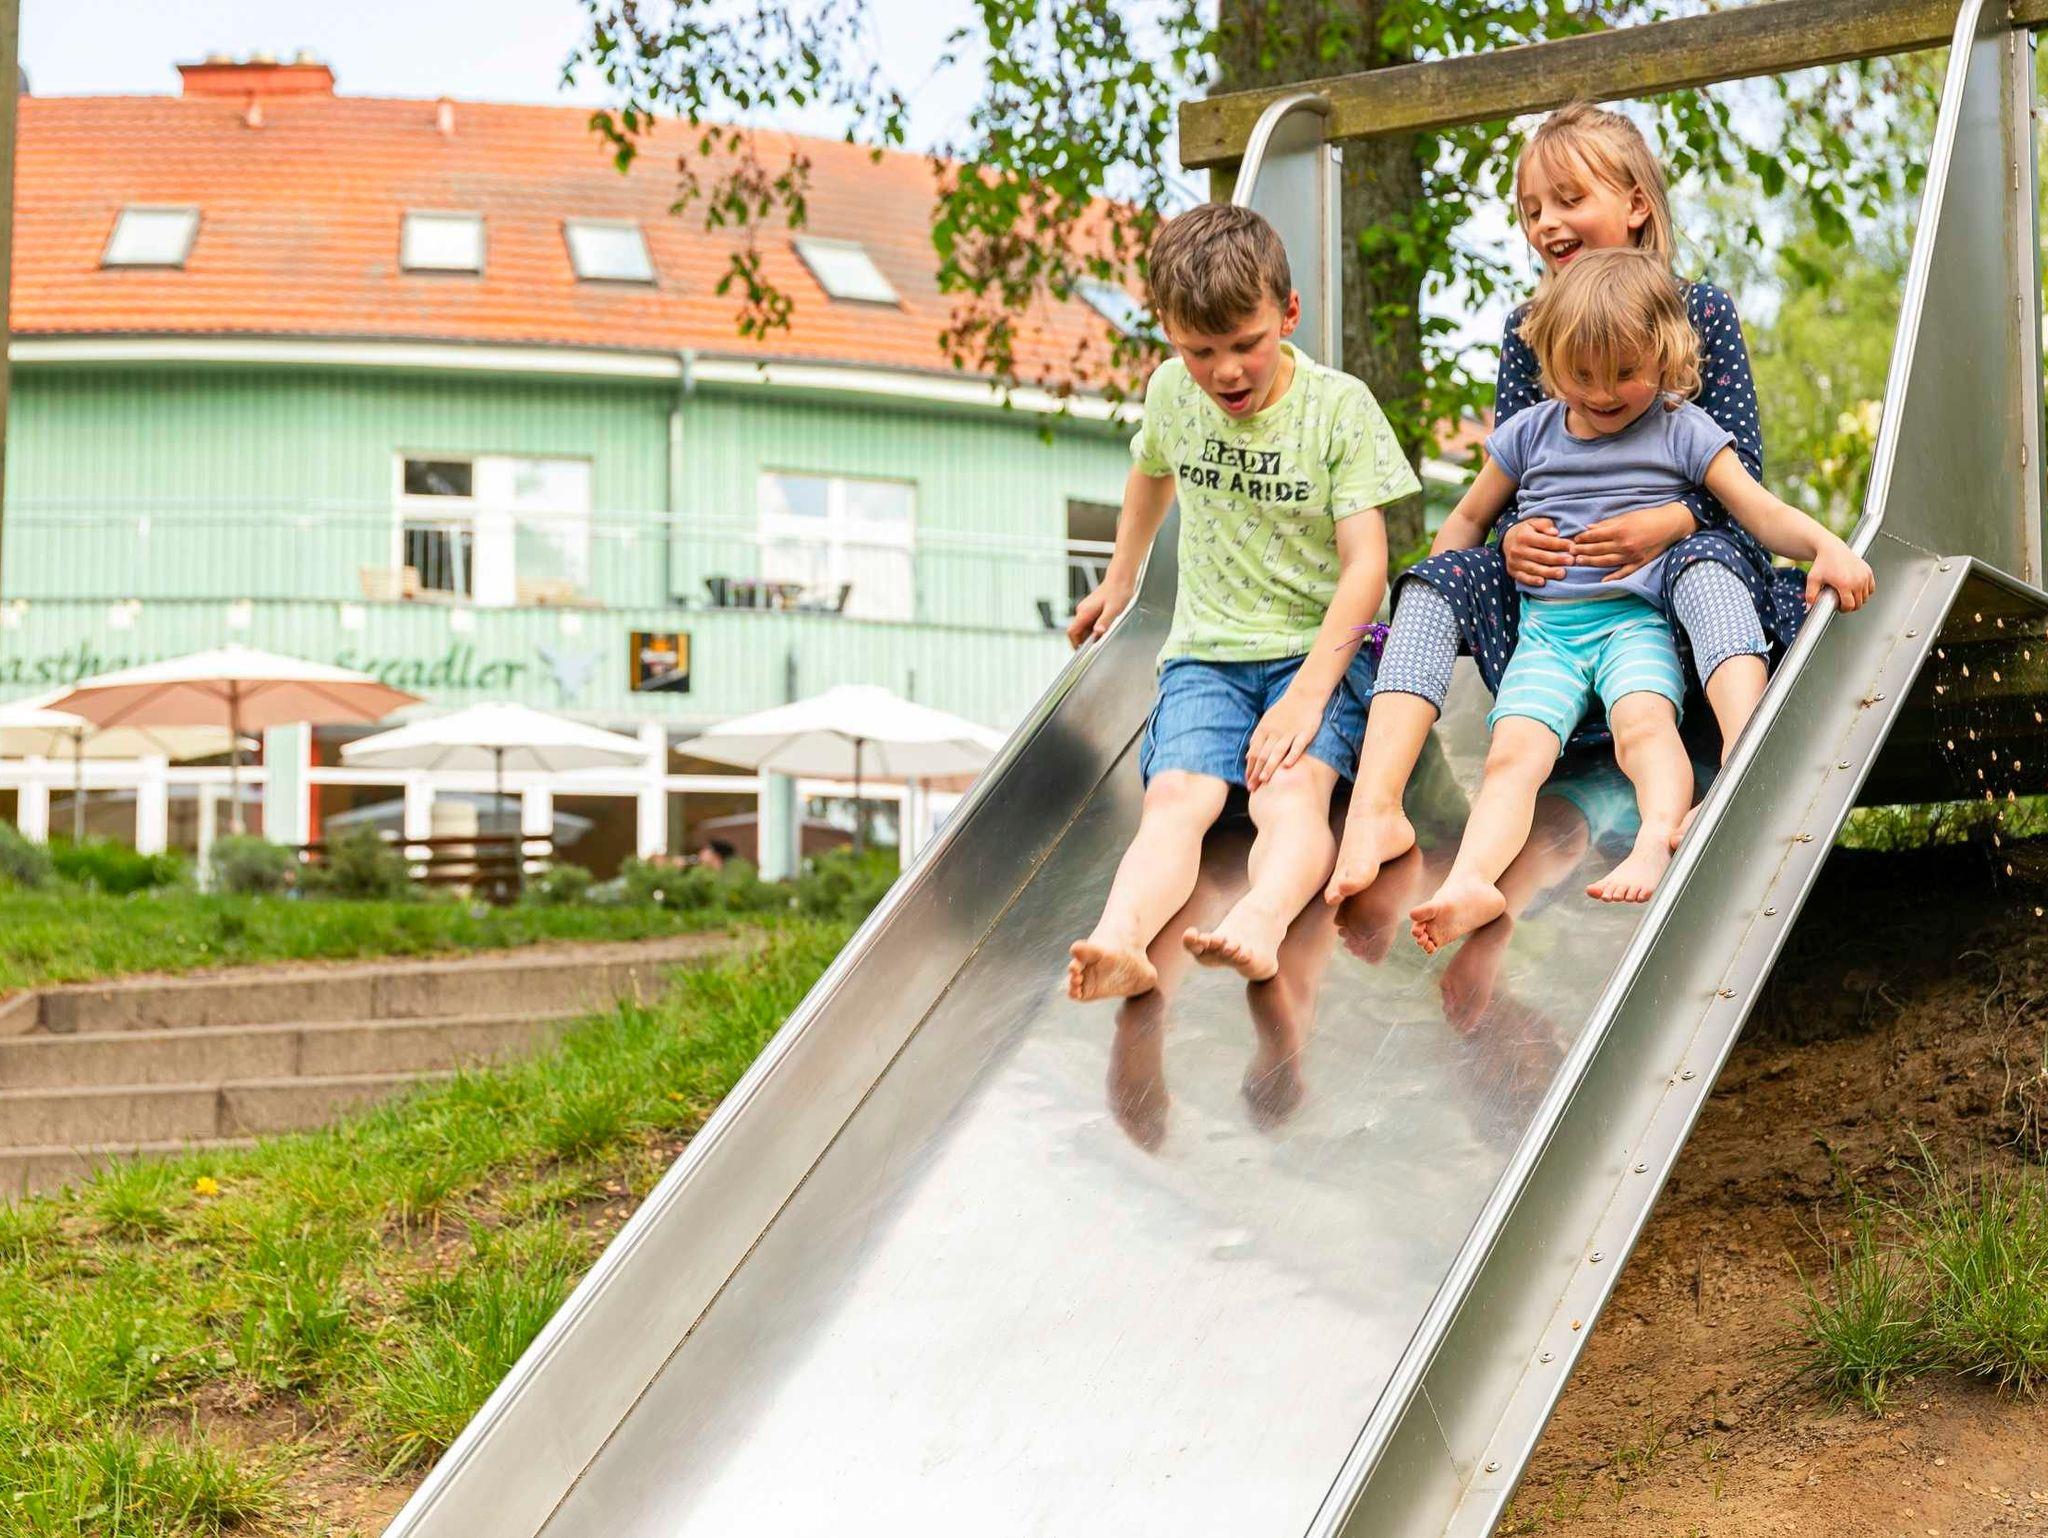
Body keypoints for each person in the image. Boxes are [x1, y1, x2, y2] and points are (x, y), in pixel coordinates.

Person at [1328, 101, 1805, 904]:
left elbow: (1743, 480)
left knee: (1705, 558)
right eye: (1531, 210)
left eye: (1569, 199)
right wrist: (1514, 539)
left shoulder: (1702, 312)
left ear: (1636, 204)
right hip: (1557, 602)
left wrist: (1671, 521)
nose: (1547, 222)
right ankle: (1378, 807)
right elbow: (1521, 478)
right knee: (1432, 579)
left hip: (1675, 586)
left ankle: (1741, 755)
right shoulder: (1529, 328)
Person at [1406, 248, 1873, 954]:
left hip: (1633, 624)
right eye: (1581, 374)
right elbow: (1470, 518)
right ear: (1551, 363)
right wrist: (1454, 582)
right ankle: (1471, 880)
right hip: (1546, 637)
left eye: (1625, 372)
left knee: (1644, 732)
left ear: (1664, 354)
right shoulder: (1529, 433)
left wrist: (1826, 545)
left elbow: (1758, 510)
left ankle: (1657, 839)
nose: (1601, 392)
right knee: (1512, 757)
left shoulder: (1681, 428)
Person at [1065, 202, 1421, 1000]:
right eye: (1200, 351)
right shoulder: (1172, 393)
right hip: (1207, 655)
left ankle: (1261, 919)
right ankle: (1120, 939)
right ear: (1169, 336)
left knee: (1289, 796)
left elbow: (1367, 566)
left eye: (1245, 343)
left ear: (1288, 314)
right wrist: (1120, 579)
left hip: (1315, 653)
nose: (1225, 371)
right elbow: (1151, 472)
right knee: (1175, 799)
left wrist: (1307, 697)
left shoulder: (1337, 408)